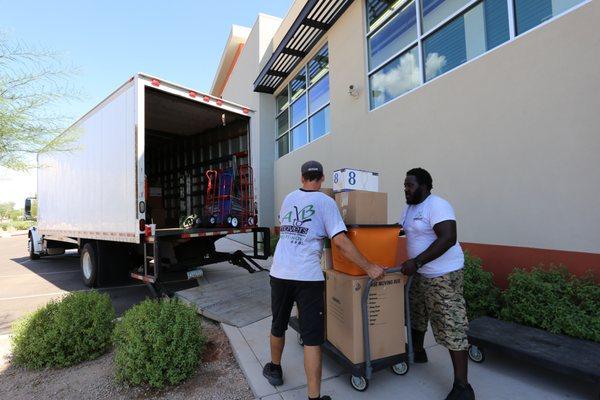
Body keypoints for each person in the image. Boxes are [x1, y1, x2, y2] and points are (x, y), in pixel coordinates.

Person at [263, 160, 385, 400]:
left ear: (301, 178)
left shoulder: (288, 198)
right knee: (311, 338)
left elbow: (284, 228)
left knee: (278, 323)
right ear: (321, 179)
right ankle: (314, 397)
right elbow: (340, 241)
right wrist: (369, 267)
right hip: (307, 277)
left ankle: (274, 369)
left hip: (279, 273)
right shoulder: (326, 202)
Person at [396, 167, 474, 400]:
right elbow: (397, 231)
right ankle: (417, 352)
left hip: (443, 275)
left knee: (451, 324)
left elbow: (448, 237)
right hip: (421, 274)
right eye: (405, 185)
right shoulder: (409, 209)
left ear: (425, 186)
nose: (405, 189)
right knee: (416, 313)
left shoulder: (437, 205)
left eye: (409, 185)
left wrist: (417, 262)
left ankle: (463, 387)